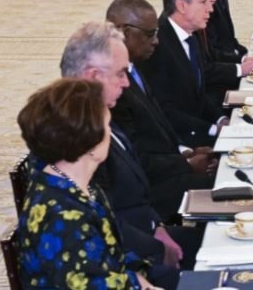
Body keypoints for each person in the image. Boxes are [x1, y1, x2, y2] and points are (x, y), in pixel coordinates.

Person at [61, 22, 201, 288]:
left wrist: (157, 227)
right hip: (129, 257)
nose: (127, 82)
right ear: (93, 76)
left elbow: (133, 191)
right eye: (121, 73)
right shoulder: (73, 137)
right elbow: (105, 221)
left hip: (144, 233)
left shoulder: (100, 116)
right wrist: (157, 246)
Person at [16, 78, 157, 290]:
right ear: (91, 142)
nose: (111, 133)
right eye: (107, 126)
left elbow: (111, 257)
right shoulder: (61, 215)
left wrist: (137, 278)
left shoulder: (82, 186)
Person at [106, 0, 217, 218]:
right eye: (150, 34)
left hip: (167, 168)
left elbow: (159, 130)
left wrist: (187, 152)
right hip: (151, 191)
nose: (156, 41)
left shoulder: (135, 68)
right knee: (228, 183)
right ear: (124, 32)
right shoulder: (113, 89)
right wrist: (186, 165)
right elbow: (135, 158)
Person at [138, 0, 228, 147]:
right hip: (179, 141)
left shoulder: (189, 36)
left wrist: (221, 118)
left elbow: (198, 95)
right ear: (182, 5)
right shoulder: (158, 46)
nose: (210, 8)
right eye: (203, 2)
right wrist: (213, 129)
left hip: (198, 128)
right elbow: (164, 109)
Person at [180, 0, 253, 99]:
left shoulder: (196, 17)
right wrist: (240, 69)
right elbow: (202, 73)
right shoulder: (183, 26)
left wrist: (243, 60)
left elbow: (212, 55)